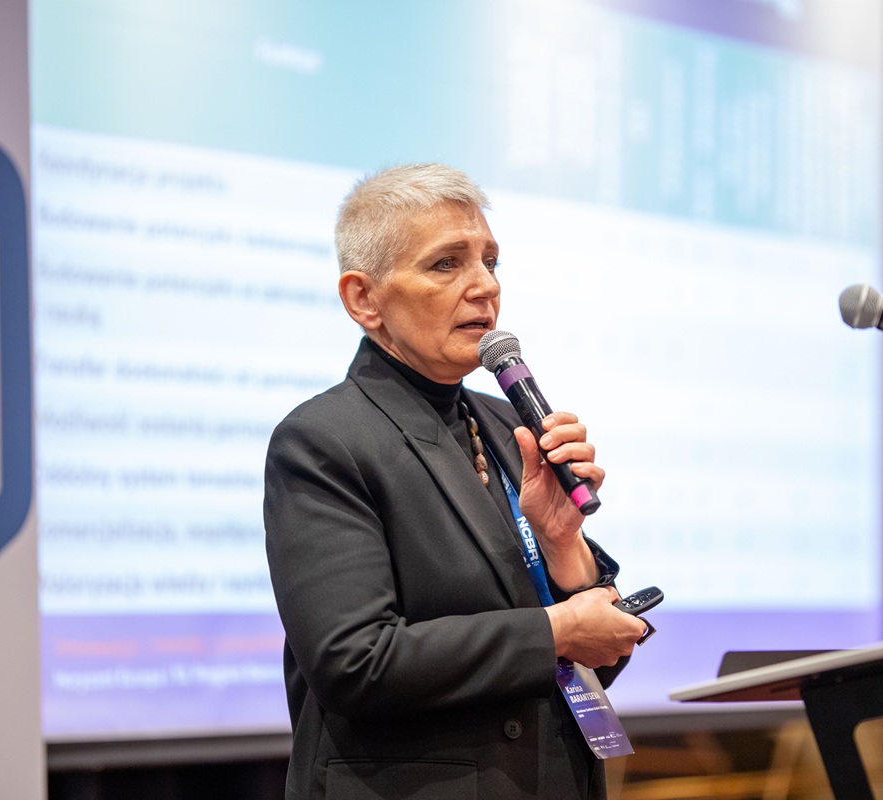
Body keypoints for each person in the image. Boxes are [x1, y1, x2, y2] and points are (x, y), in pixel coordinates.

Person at [264, 163, 646, 799]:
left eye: (490, 262)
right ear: (363, 300)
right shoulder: (323, 439)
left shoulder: (507, 423)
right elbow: (354, 663)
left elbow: (594, 659)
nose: (485, 286)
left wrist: (562, 544)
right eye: (447, 264)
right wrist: (555, 631)